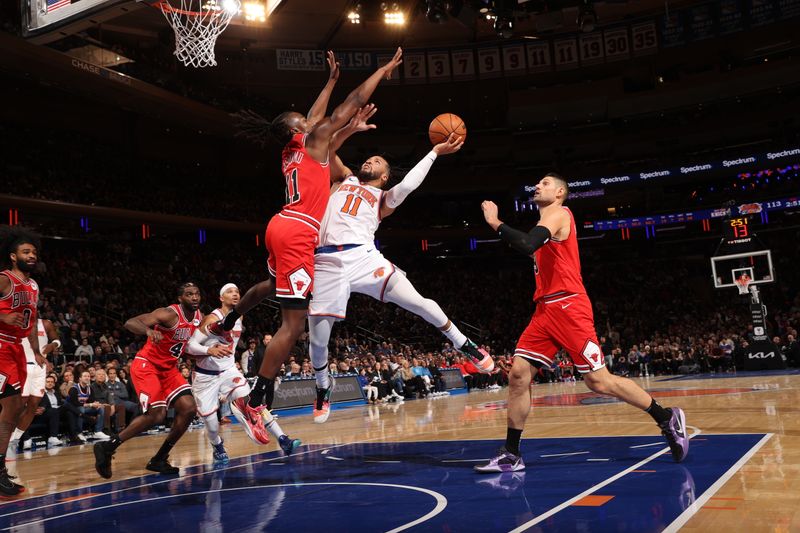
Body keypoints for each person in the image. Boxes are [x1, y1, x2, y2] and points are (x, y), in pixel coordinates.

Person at [215, 49, 405, 427]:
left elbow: (320, 119)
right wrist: (381, 71)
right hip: (299, 232)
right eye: (303, 119)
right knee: (293, 324)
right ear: (296, 129)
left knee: (273, 284)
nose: (310, 118)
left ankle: (231, 317)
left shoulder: (294, 148)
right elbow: (350, 104)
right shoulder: (312, 140)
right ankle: (257, 396)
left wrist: (331, 83)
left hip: (279, 225)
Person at [475, 173, 689, 474]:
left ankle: (665, 416)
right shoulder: (544, 221)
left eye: (545, 183)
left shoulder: (559, 214)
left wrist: (495, 222)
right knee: (519, 375)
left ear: (561, 192)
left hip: (569, 305)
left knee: (598, 381)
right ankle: (511, 453)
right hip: (545, 309)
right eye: (536, 182)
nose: (537, 186)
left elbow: (524, 244)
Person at [307, 133, 494, 423]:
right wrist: (349, 128)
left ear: (385, 176)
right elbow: (327, 146)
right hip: (326, 260)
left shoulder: (383, 198)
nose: (370, 161)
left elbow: (407, 185)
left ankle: (464, 343)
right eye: (369, 159)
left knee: (418, 302)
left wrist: (434, 152)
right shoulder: (344, 178)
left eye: (377, 161)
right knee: (319, 339)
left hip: (364, 258)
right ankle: (322, 386)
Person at [93, 283, 202, 479]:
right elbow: (130, 322)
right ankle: (108, 447)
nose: (194, 297)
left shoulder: (199, 318)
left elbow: (183, 346)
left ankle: (159, 458)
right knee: (157, 415)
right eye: (189, 294)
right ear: (180, 298)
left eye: (197, 294)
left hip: (169, 369)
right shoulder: (169, 314)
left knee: (188, 409)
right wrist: (148, 331)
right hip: (147, 366)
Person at [187, 284, 300, 464]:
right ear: (221, 298)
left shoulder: (239, 317)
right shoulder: (211, 318)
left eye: (237, 292)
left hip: (228, 371)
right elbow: (190, 346)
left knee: (254, 403)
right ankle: (217, 446)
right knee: (212, 424)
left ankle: (283, 439)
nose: (235, 294)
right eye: (230, 292)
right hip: (205, 375)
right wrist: (209, 350)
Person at [0, 226, 44, 495]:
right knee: (11, 407)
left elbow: (33, 320)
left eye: (34, 252)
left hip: (17, 348)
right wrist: (2, 317)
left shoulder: (33, 285)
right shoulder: (4, 279)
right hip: (0, 344)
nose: (32, 255)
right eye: (26, 251)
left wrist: (36, 350)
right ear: (13, 256)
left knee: (14, 409)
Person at [10, 318, 59, 450]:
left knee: (33, 405)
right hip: (22, 367)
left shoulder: (46, 323)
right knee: (19, 406)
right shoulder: (17, 321)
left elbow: (57, 339)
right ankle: (8, 437)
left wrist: (53, 345)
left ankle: (15, 438)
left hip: (40, 368)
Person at [64, 370, 109, 441]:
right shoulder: (74, 388)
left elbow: (92, 400)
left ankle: (98, 431)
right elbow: (75, 403)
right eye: (85, 376)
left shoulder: (89, 388)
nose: (87, 378)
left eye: (88, 376)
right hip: (72, 409)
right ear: (80, 378)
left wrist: (97, 404)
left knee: (100, 408)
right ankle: (79, 432)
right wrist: (91, 404)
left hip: (83, 407)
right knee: (81, 409)